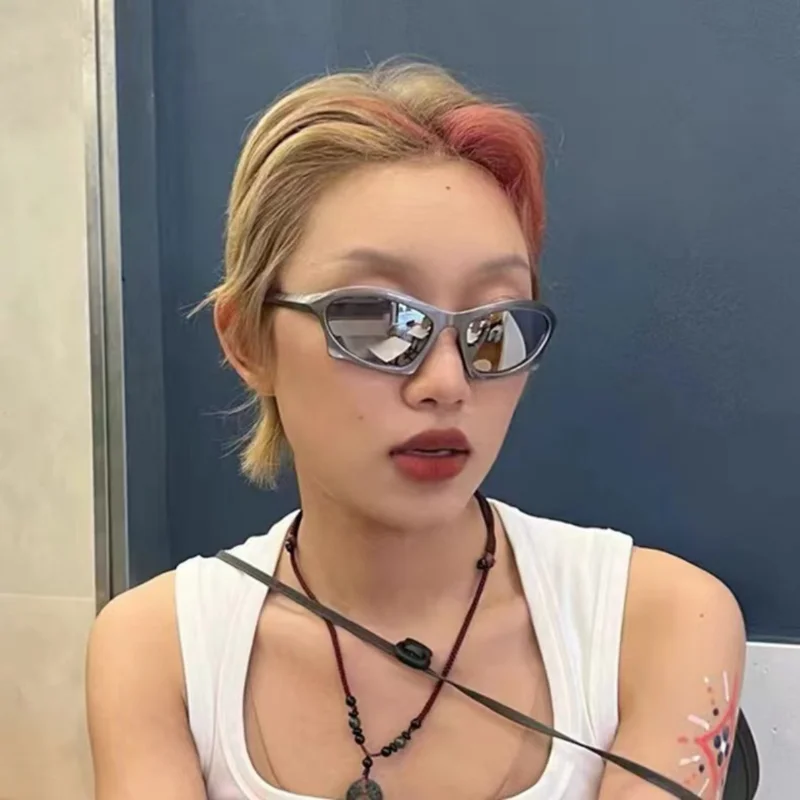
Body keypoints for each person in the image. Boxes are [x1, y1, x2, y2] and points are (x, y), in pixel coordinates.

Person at [86, 61, 746, 800]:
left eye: (493, 326)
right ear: (247, 341)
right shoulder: (161, 646)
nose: (447, 382)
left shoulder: (658, 619)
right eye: (377, 321)